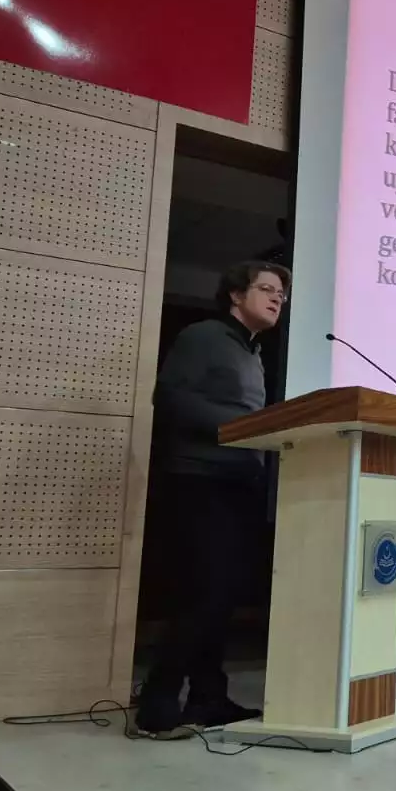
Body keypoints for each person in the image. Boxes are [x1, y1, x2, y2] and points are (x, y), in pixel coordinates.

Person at [134, 260, 290, 738]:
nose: (277, 299)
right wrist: (241, 428)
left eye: (281, 294)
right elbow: (171, 398)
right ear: (236, 295)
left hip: (239, 482)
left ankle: (208, 697)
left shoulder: (251, 351)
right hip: (200, 482)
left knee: (222, 598)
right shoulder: (204, 336)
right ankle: (157, 705)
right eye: (267, 289)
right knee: (203, 594)